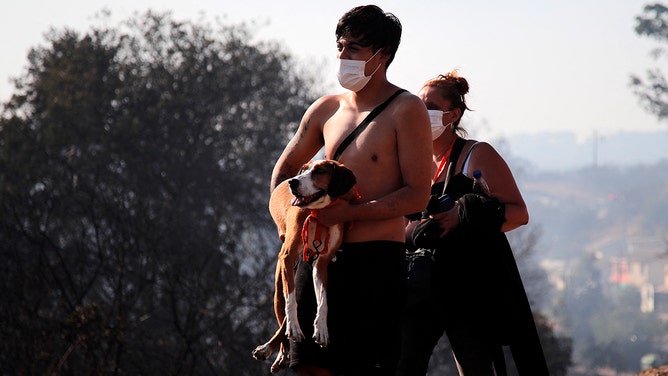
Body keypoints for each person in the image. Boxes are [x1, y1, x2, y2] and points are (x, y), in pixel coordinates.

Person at [269, 5, 432, 376]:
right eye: (340, 46)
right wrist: (286, 223)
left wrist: (349, 213)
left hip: (376, 261)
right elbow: (287, 169)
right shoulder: (326, 108)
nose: (343, 56)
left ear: (382, 55)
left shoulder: (406, 109)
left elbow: (417, 195)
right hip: (316, 259)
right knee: (309, 367)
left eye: (355, 49)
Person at [397, 71, 549, 376]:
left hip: (469, 285)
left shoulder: (476, 155)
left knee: (476, 365)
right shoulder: (411, 160)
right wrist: (417, 230)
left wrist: (462, 215)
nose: (420, 111)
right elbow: (399, 221)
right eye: (417, 104)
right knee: (404, 363)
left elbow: (519, 213)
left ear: (452, 115)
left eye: (430, 106)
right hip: (422, 283)